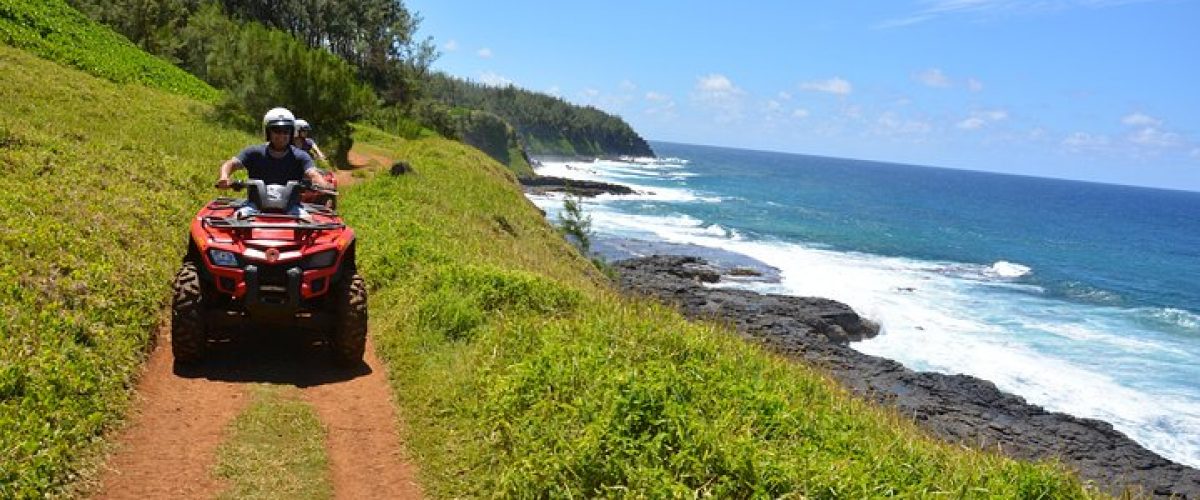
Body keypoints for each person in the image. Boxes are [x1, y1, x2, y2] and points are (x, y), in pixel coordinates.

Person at [217, 108, 331, 219]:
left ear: (291, 133)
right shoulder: (253, 152)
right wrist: (224, 176)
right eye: (276, 130)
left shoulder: (301, 156)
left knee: (310, 223)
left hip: (293, 207)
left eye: (286, 131)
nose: (281, 135)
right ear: (268, 132)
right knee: (236, 221)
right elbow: (231, 164)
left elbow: (312, 173)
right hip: (254, 206)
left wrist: (321, 183)